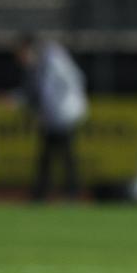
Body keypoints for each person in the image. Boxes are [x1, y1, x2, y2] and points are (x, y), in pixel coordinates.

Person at [15, 36, 88, 202]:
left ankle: (69, 192)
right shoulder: (44, 63)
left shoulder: (52, 61)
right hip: (54, 115)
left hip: (63, 114)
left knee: (64, 155)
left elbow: (54, 89)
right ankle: (44, 192)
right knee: (48, 156)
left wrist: (54, 109)